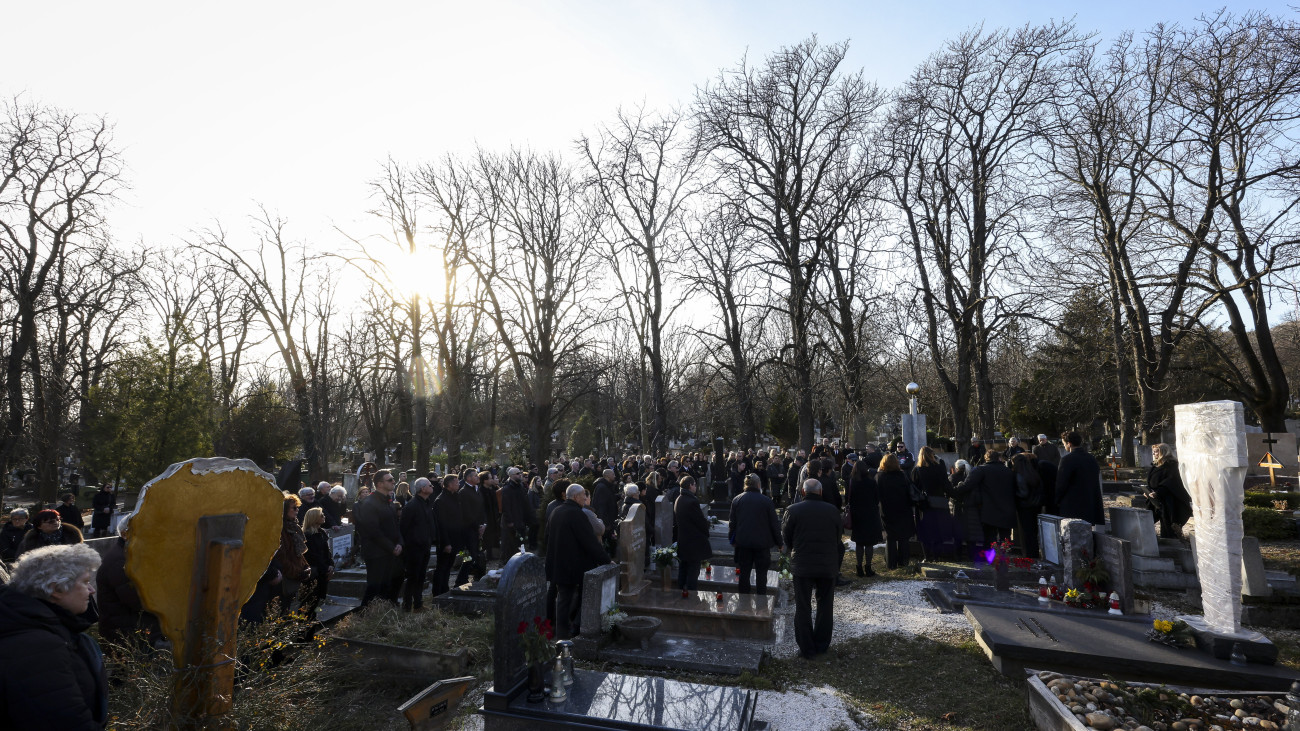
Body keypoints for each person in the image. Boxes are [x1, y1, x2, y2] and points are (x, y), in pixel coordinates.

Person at [0, 543, 108, 730]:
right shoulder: (37, 647)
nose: (92, 590)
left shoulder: (44, 628)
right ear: (56, 589)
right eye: (85, 582)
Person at [782, 478, 841, 660]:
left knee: (803, 606)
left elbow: (787, 537)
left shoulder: (793, 511)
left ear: (802, 492)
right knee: (825, 605)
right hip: (826, 564)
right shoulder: (832, 511)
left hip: (803, 564)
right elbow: (838, 537)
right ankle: (821, 644)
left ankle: (806, 647)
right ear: (821, 492)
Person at [545, 484, 615, 638]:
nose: (585, 497)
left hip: (559, 563)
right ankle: (573, 628)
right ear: (576, 496)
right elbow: (589, 541)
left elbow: (547, 538)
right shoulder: (577, 514)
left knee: (563, 599)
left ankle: (561, 633)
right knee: (581, 596)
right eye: (583, 495)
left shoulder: (556, 511)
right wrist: (606, 560)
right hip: (573, 565)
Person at [353, 469, 403, 606]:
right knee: (375, 587)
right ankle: (364, 615)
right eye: (390, 480)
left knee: (390, 584)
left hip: (390, 551)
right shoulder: (369, 503)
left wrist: (399, 543)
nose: (394, 482)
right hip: (376, 552)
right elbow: (372, 531)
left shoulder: (389, 501)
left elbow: (395, 525)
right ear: (380, 484)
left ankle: (385, 611)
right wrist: (391, 547)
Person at [729, 474, 782, 595]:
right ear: (759, 485)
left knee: (744, 573)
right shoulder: (766, 501)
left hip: (743, 542)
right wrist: (779, 542)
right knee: (762, 574)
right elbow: (774, 524)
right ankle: (761, 603)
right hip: (762, 543)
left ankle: (744, 603)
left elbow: (732, 523)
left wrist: (732, 540)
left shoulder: (737, 499)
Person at [954, 450, 1018, 545]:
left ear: (986, 458)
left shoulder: (981, 469)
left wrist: (953, 490)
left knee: (990, 536)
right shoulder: (1008, 471)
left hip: (989, 508)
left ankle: (990, 557)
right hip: (1007, 507)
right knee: (1005, 535)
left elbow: (967, 485)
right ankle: (1004, 556)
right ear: (998, 458)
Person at [398, 477, 437, 612]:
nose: (432, 486)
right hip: (414, 548)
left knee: (421, 576)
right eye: (430, 485)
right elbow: (404, 527)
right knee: (413, 577)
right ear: (423, 489)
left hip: (425, 545)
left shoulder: (426, 503)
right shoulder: (412, 505)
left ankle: (418, 604)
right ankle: (407, 606)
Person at [911, 446, 956, 562]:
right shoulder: (939, 467)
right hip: (940, 502)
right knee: (938, 530)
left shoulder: (917, 470)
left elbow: (914, 488)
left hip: (924, 505)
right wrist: (954, 494)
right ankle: (936, 556)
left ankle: (927, 556)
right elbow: (946, 484)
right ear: (932, 455)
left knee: (925, 532)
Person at [1056, 431, 1105, 525]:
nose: (1064, 446)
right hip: (1090, 502)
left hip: (1072, 505)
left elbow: (1061, 484)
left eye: (1064, 444)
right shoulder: (1091, 458)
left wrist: (1056, 500)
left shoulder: (1066, 460)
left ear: (1069, 444)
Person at [432, 474, 470, 595]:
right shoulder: (441, 500)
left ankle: (445, 590)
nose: (459, 484)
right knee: (442, 567)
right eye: (456, 482)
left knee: (448, 567)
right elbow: (441, 524)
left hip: (456, 538)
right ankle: (438, 592)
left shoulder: (455, 497)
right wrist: (446, 543)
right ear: (449, 485)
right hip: (447, 540)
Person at [877, 454, 916, 570]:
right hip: (903, 508)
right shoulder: (902, 475)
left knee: (891, 537)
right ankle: (904, 561)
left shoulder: (880, 476)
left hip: (887, 509)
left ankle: (891, 563)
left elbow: (877, 494)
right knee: (904, 537)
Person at [673, 475, 711, 595]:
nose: (696, 487)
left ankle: (681, 593)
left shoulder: (679, 498)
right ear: (690, 485)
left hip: (683, 539)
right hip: (694, 541)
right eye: (695, 484)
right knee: (693, 571)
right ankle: (691, 596)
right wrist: (707, 528)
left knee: (683, 568)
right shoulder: (692, 501)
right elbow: (699, 521)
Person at [1145, 443, 1192, 539]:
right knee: (1147, 521)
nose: (1154, 454)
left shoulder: (1172, 466)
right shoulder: (1156, 466)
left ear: (1164, 452)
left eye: (1156, 451)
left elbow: (1171, 482)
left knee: (1168, 526)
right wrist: (1147, 491)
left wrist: (1158, 492)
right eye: (1153, 452)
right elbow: (1151, 481)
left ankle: (1172, 546)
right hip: (1155, 500)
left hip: (1169, 501)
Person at [274, 494, 311, 615]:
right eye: (294, 508)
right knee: (282, 611)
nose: (297, 510)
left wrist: (305, 567)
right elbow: (281, 557)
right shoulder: (280, 529)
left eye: (297, 507)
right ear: (284, 510)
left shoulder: (293, 526)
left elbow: (298, 553)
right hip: (284, 578)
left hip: (293, 573)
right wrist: (297, 572)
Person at [846, 457, 881, 577]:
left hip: (857, 514)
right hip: (870, 513)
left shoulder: (852, 482)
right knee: (869, 543)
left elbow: (848, 498)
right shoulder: (871, 482)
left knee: (859, 543)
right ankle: (868, 567)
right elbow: (877, 499)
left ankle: (859, 567)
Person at [1009, 453, 1043, 558]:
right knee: (1033, 532)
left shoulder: (1019, 475)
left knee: (1026, 532)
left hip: (1024, 507)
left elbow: (1023, 493)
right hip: (1035, 506)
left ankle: (1029, 555)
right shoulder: (1032, 472)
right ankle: (1034, 553)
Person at [301, 506, 334, 616]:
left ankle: (315, 618)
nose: (324, 517)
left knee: (321, 599)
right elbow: (313, 556)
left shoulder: (322, 532)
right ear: (314, 518)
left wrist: (331, 565)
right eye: (321, 515)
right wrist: (326, 568)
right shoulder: (307, 536)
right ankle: (306, 625)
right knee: (310, 601)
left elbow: (327, 552)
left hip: (324, 571)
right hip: (315, 572)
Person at [499, 467, 534, 559]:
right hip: (512, 521)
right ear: (511, 476)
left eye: (520, 473)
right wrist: (510, 521)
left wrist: (528, 518)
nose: (520, 475)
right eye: (517, 473)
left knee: (520, 542)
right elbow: (506, 506)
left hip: (521, 519)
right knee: (510, 544)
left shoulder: (521, 487)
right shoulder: (507, 488)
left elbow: (525, 504)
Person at [17, 510, 83, 557]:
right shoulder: (30, 540)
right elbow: (21, 559)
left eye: (58, 519)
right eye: (51, 521)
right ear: (39, 526)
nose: (56, 522)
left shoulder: (72, 535)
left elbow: (80, 555)